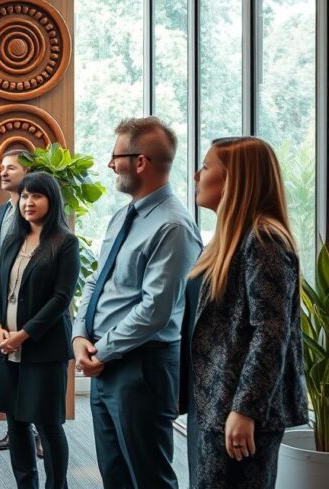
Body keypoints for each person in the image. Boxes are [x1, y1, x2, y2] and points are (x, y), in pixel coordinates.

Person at [72, 116, 202, 489]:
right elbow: (98, 279)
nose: (110, 164)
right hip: (107, 361)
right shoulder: (122, 216)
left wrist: (102, 351)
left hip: (143, 367)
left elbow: (156, 310)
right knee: (114, 474)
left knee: (148, 478)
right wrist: (80, 334)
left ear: (140, 161)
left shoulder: (173, 226)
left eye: (116, 156)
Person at [182, 137, 307, 489]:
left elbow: (271, 331)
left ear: (233, 180)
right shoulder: (226, 240)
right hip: (211, 402)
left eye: (206, 167)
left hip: (237, 407)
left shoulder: (263, 240)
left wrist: (245, 408)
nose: (196, 175)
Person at [0, 172, 79, 489]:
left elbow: (61, 299)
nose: (28, 202)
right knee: (16, 423)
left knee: (48, 424)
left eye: (36, 196)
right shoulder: (12, 238)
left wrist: (23, 335)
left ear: (51, 201)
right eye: (25, 196)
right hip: (6, 346)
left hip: (43, 349)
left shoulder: (65, 243)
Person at [0, 148, 44, 459]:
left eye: (11, 168)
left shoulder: (41, 216)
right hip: (5, 305)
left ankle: (36, 432)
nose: (4, 172)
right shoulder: (2, 212)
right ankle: (15, 430)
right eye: (2, 168)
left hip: (31, 307)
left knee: (33, 377)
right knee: (10, 374)